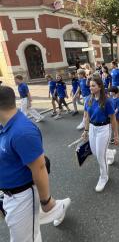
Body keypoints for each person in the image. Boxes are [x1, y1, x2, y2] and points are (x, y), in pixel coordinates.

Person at [0, 86, 71, 241]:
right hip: (9, 194)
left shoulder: (22, 131)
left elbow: (39, 168)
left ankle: (56, 207)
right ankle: (58, 208)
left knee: (25, 238)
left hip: (22, 195)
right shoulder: (4, 125)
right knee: (29, 231)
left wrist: (46, 201)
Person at [81, 76, 119, 192]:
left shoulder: (107, 101)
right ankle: (110, 153)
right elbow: (87, 116)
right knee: (95, 152)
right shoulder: (88, 99)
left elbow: (113, 119)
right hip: (92, 128)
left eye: (93, 85)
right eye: (90, 85)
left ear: (100, 87)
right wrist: (86, 130)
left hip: (104, 129)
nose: (90, 87)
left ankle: (104, 177)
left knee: (100, 156)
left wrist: (116, 135)